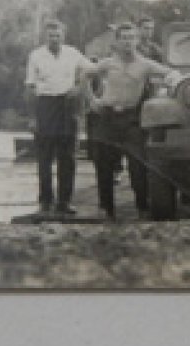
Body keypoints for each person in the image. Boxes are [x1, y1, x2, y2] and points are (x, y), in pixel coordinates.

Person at [83, 22, 179, 220]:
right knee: (104, 166)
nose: (127, 42)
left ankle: (142, 207)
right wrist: (92, 99)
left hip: (132, 119)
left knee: (138, 165)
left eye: (131, 38)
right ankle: (106, 209)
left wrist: (167, 84)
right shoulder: (108, 63)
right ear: (117, 42)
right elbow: (85, 74)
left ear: (137, 41)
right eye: (123, 39)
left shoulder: (145, 64)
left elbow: (171, 73)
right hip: (107, 117)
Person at [24, 20, 88, 216]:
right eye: (50, 35)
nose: (54, 39)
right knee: (44, 158)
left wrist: (79, 87)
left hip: (67, 106)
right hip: (45, 105)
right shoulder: (36, 55)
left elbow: (91, 69)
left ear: (63, 35)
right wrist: (32, 117)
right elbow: (30, 87)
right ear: (46, 37)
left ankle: (64, 201)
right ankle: (45, 201)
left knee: (67, 157)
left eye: (57, 35)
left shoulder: (73, 53)